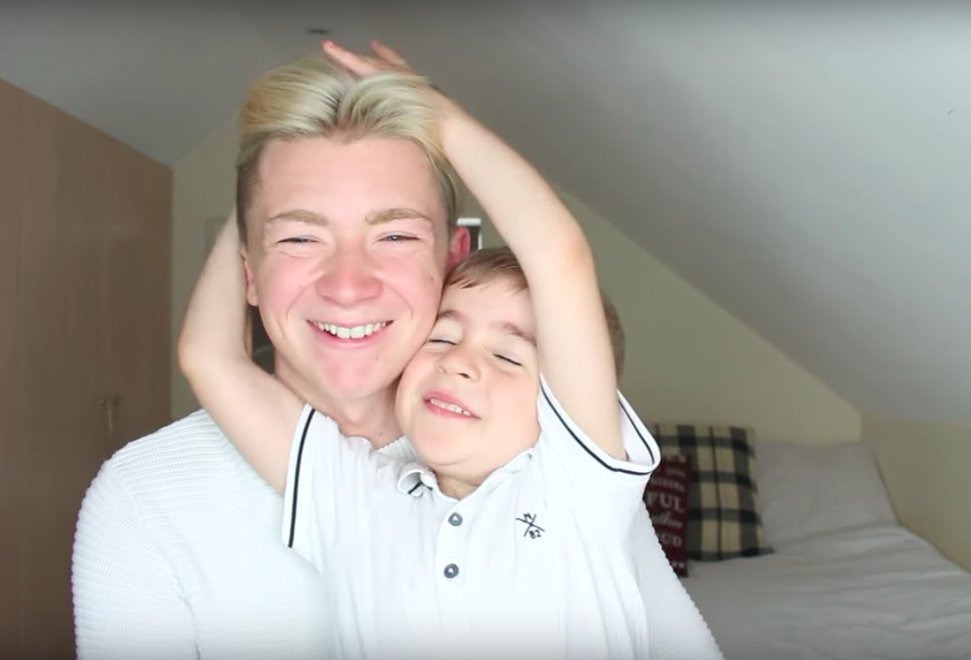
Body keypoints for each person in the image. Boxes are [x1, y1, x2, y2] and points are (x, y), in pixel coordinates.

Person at [72, 41, 722, 660]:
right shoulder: (163, 498)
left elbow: (559, 256)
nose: (347, 285)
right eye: (299, 239)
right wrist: (258, 210)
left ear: (449, 262)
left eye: (395, 237)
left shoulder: (557, 478)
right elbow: (208, 355)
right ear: (248, 270)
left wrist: (439, 117)